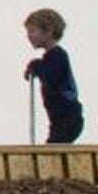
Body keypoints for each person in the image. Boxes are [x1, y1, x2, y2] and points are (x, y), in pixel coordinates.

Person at [23, 8, 84, 144]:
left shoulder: (57, 55)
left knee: (54, 147)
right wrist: (36, 66)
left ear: (48, 31)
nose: (29, 36)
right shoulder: (50, 57)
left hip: (67, 116)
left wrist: (35, 65)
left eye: (32, 31)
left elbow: (51, 75)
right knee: (53, 144)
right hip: (58, 117)